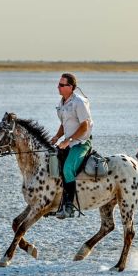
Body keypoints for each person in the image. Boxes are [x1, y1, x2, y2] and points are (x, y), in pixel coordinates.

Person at [50, 73, 93, 219]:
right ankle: (56, 202)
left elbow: (84, 126)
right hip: (68, 141)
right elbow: (64, 124)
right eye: (58, 84)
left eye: (62, 85)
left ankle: (69, 207)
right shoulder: (62, 102)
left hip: (81, 143)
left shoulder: (79, 102)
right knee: (52, 164)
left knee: (68, 168)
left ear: (71, 87)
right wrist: (57, 136)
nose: (58, 87)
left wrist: (68, 141)